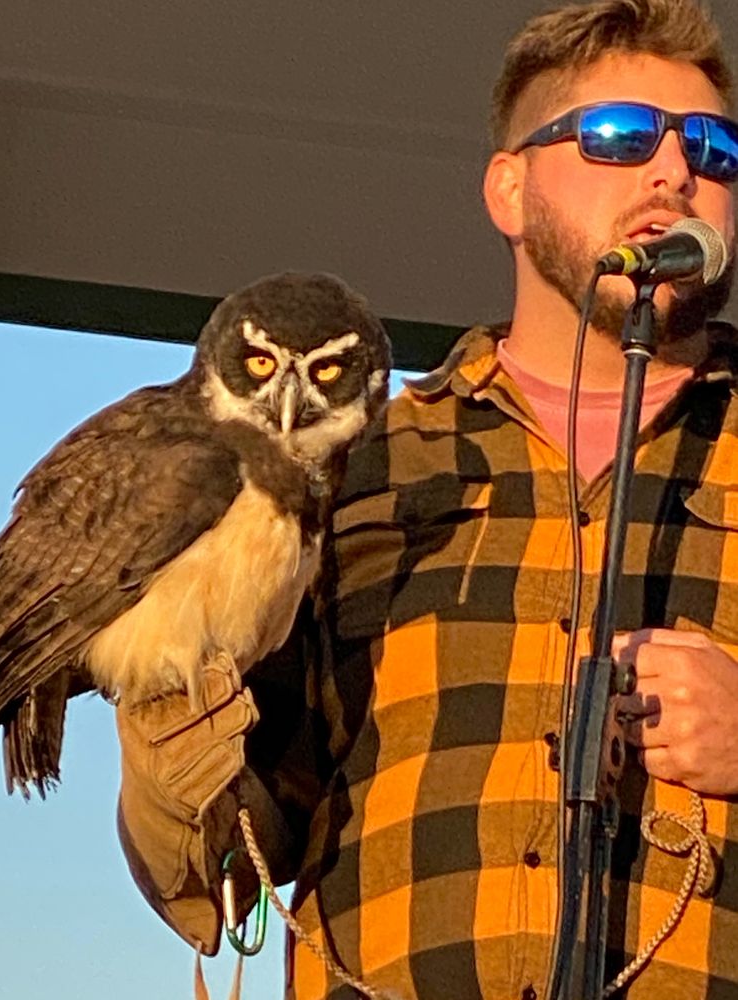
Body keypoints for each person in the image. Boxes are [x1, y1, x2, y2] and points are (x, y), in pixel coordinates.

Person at [114, 1, 738, 997]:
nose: (673, 171)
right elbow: (224, 874)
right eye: (616, 137)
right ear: (507, 187)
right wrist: (171, 742)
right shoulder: (348, 469)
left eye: (711, 146)